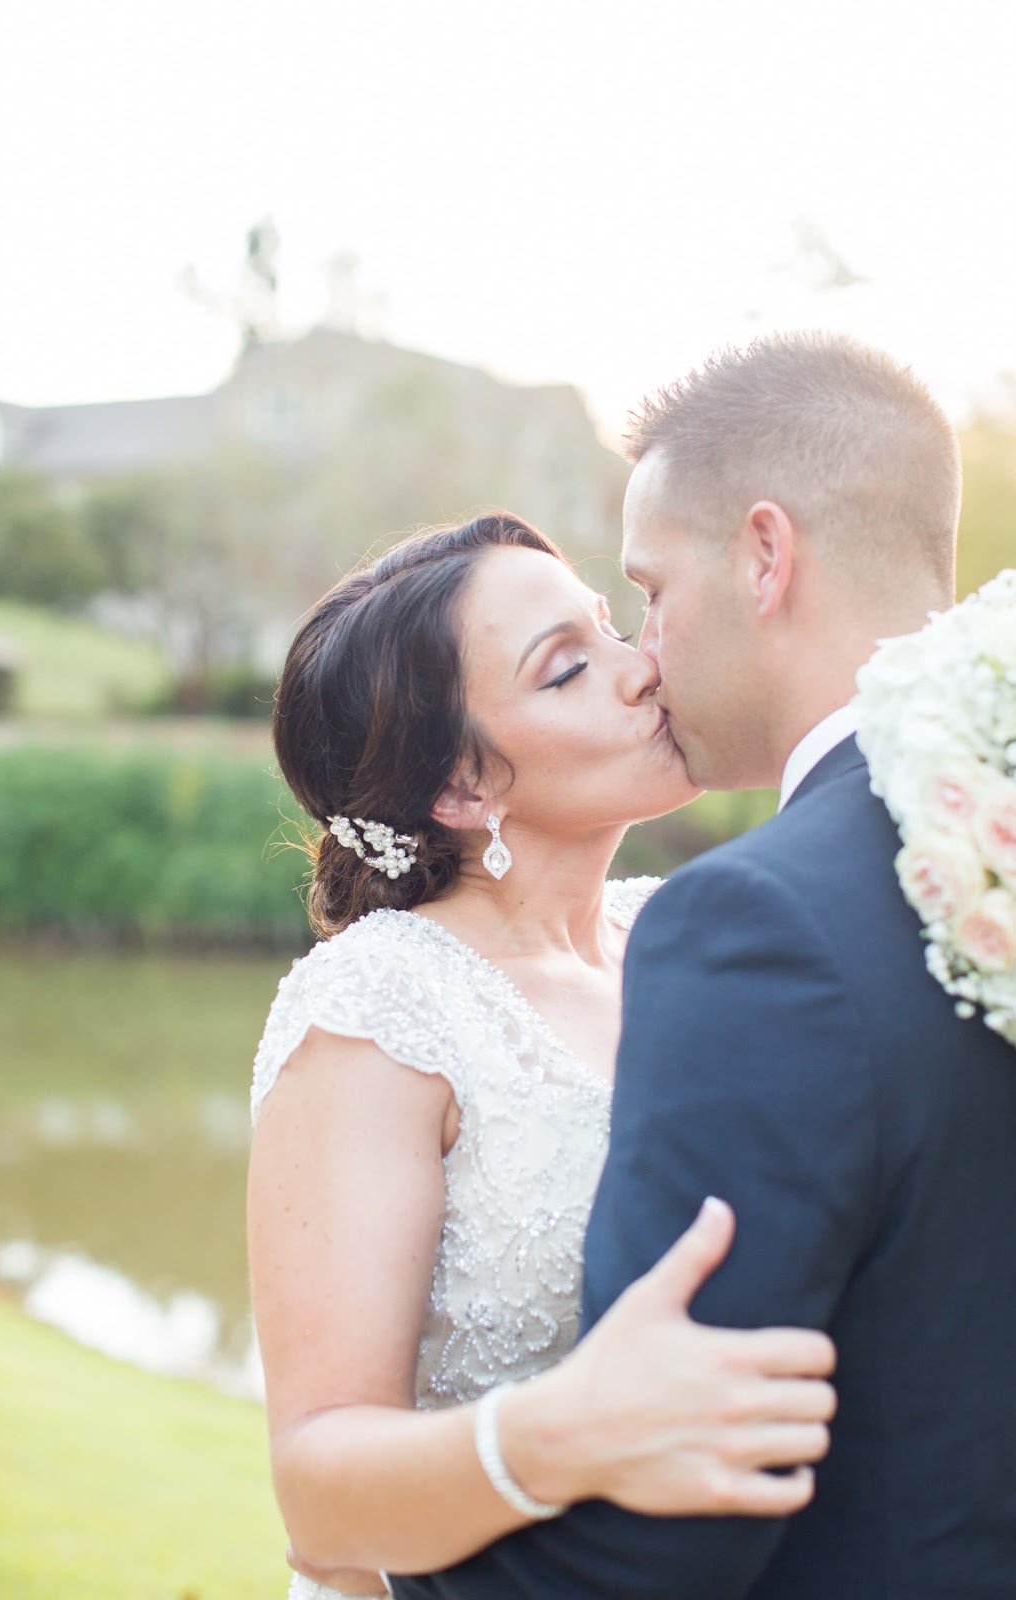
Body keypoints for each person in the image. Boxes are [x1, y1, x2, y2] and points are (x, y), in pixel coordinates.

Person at [392, 335, 1016, 1600]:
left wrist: (393, 1577)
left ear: (764, 556)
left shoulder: (756, 925)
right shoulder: (976, 836)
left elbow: (673, 1522)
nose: (647, 652)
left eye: (651, 589)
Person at [248, 512, 837, 1600]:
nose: (640, 668)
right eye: (568, 668)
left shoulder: (682, 932)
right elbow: (317, 1497)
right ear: (462, 791)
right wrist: (561, 1431)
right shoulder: (381, 1008)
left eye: (613, 626)